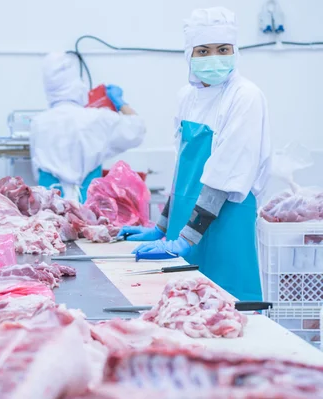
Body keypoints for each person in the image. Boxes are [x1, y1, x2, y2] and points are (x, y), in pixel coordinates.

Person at [119, 7, 271, 301]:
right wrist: (162, 225)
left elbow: (226, 172)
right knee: (185, 311)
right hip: (186, 225)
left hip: (227, 222)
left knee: (228, 309)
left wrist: (187, 237)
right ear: (189, 54)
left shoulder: (245, 96)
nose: (213, 58)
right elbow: (182, 170)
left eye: (223, 49)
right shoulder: (187, 97)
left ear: (234, 51)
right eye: (203, 50)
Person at [30, 52, 146, 203]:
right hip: (88, 210)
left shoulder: (38, 123)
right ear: (77, 84)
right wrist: (120, 102)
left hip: (48, 208)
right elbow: (137, 129)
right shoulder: (96, 118)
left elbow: (35, 172)